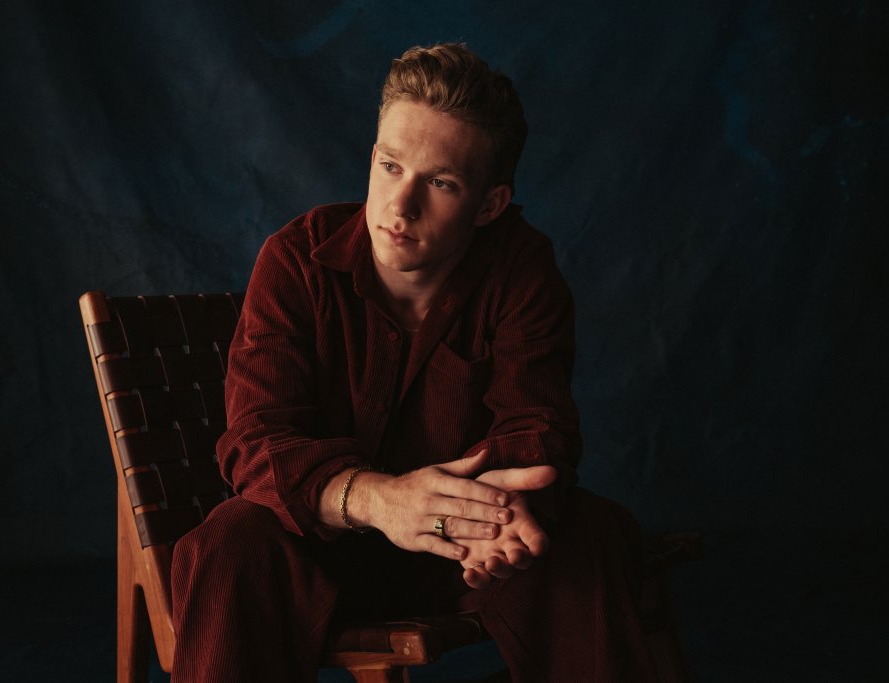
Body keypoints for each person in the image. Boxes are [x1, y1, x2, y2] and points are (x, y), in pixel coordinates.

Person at [171, 42, 656, 682]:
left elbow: (537, 426)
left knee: (590, 533)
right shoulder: (295, 258)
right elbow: (255, 440)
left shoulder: (521, 268)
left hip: (462, 554)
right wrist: (381, 499)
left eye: (442, 183)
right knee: (232, 543)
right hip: (320, 547)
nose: (401, 207)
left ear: (488, 204)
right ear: (372, 158)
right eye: (392, 167)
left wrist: (490, 516)